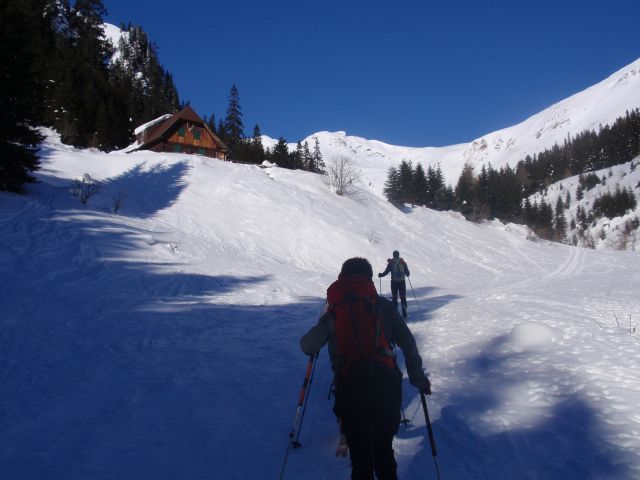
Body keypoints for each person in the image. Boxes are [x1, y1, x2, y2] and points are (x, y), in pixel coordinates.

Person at [300, 257, 430, 480]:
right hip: (386, 386)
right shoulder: (383, 306)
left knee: (361, 460)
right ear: (368, 278)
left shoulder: (335, 310)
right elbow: (408, 343)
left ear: (342, 278)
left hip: (350, 389)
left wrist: (327, 321)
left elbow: (307, 346)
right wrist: (418, 378)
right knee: (384, 451)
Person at [378, 250, 410, 319]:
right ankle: (404, 310)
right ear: (398, 255)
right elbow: (408, 273)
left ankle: (395, 314)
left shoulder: (391, 262)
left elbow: (386, 272)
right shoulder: (402, 262)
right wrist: (406, 274)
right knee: (402, 296)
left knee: (394, 297)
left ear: (393, 255)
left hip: (394, 282)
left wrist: (381, 275)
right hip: (402, 282)